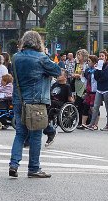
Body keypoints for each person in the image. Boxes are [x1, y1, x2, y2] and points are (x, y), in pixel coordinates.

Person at [8, 30, 61, 179]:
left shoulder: (16, 58)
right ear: (39, 43)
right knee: (36, 135)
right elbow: (57, 71)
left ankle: (14, 164)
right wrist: (46, 54)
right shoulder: (41, 58)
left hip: (19, 100)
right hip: (36, 102)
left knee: (20, 133)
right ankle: (34, 168)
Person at [43, 71, 74, 147]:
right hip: (51, 101)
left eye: (60, 75)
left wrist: (73, 102)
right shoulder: (55, 84)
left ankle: (48, 124)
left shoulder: (67, 86)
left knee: (52, 103)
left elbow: (70, 99)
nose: (58, 76)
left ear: (65, 77)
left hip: (60, 103)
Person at [90, 51, 108, 131]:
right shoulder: (98, 66)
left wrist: (99, 71)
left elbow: (105, 77)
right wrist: (98, 69)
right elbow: (96, 77)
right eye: (99, 56)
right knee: (95, 106)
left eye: (102, 56)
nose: (101, 57)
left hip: (107, 89)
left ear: (106, 57)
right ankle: (92, 124)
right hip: (99, 89)